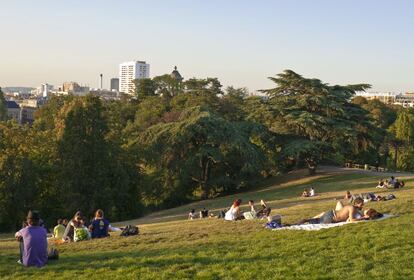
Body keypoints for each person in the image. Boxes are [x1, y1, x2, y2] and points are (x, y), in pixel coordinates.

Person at [298, 197, 365, 224]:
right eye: (361, 204)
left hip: (331, 213)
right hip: (331, 217)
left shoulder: (350, 207)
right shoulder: (352, 208)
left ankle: (303, 221)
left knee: (314, 221)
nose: (362, 206)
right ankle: (302, 221)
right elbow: (352, 220)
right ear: (356, 203)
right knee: (316, 222)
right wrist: (363, 218)